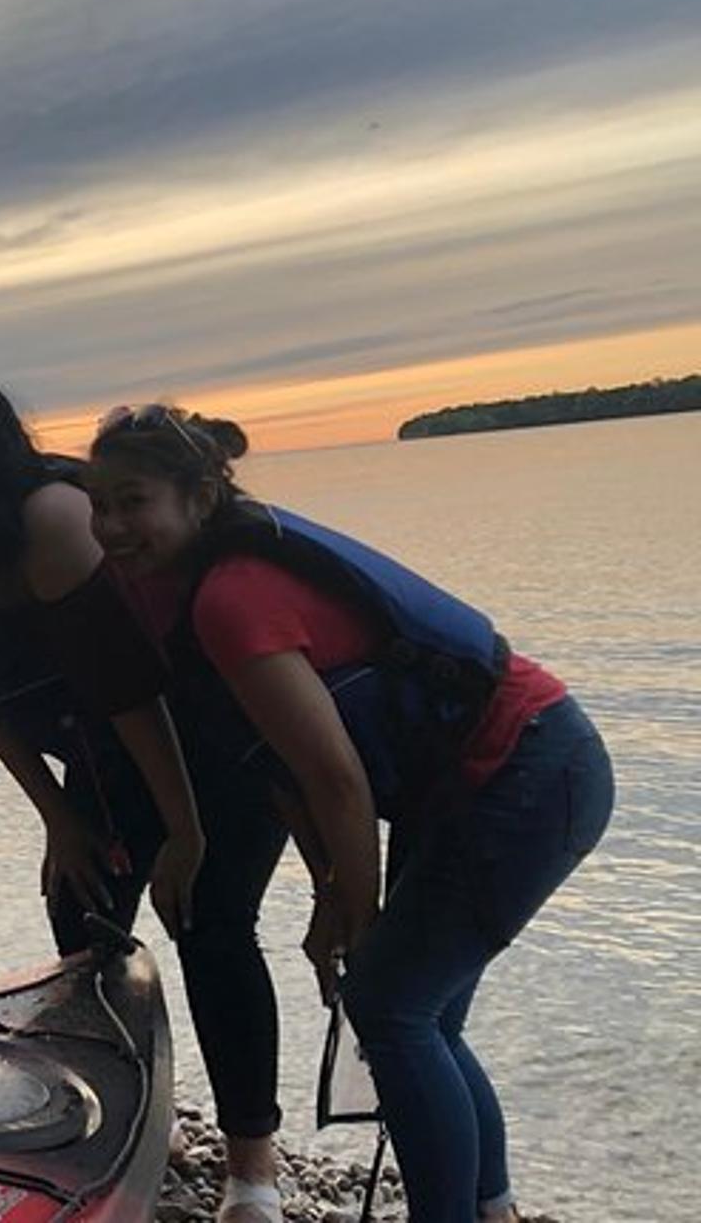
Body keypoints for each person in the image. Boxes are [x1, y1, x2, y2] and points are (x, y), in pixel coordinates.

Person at [86, 404, 614, 1223]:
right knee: (418, 1012)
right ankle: (491, 1208)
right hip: (476, 781)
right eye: (100, 505)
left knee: (394, 1006)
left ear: (198, 497)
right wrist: (332, 894)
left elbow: (338, 781)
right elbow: (289, 768)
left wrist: (358, 922)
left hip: (528, 766)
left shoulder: (232, 595)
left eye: (133, 501)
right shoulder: (181, 592)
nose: (112, 525)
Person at [0, 370, 290, 1223]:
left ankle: (252, 1165)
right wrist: (58, 818)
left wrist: (184, 830)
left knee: (211, 925)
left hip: (204, 742)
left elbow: (131, 689)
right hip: (100, 759)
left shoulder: (51, 516)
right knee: (83, 917)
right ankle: (136, 1114)